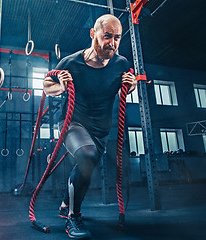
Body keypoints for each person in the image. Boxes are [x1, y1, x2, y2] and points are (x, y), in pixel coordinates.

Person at [43, 14, 137, 239]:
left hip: (99, 130)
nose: (112, 43)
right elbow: (47, 85)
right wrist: (62, 86)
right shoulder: (71, 62)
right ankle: (73, 218)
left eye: (116, 38)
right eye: (107, 36)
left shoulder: (122, 64)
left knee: (88, 162)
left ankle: (66, 204)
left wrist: (131, 86)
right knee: (86, 155)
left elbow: (126, 89)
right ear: (93, 34)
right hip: (73, 124)